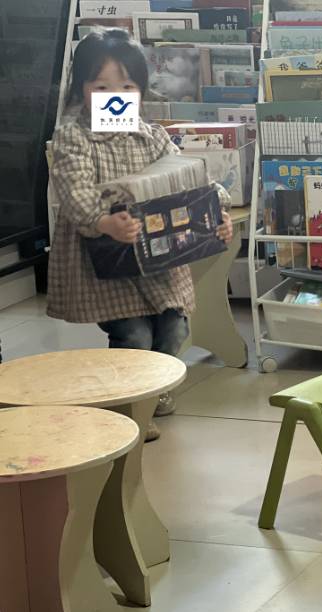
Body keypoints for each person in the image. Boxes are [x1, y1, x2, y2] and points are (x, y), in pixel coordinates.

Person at [48, 30, 233, 440]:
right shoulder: (73, 136)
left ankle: (154, 389)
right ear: (81, 88)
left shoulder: (151, 135)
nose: (114, 96)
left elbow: (189, 176)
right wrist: (103, 221)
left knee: (174, 328)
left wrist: (217, 208)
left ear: (141, 91)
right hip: (107, 258)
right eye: (101, 87)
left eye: (126, 87)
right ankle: (131, 406)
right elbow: (74, 192)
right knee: (133, 334)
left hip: (159, 254)